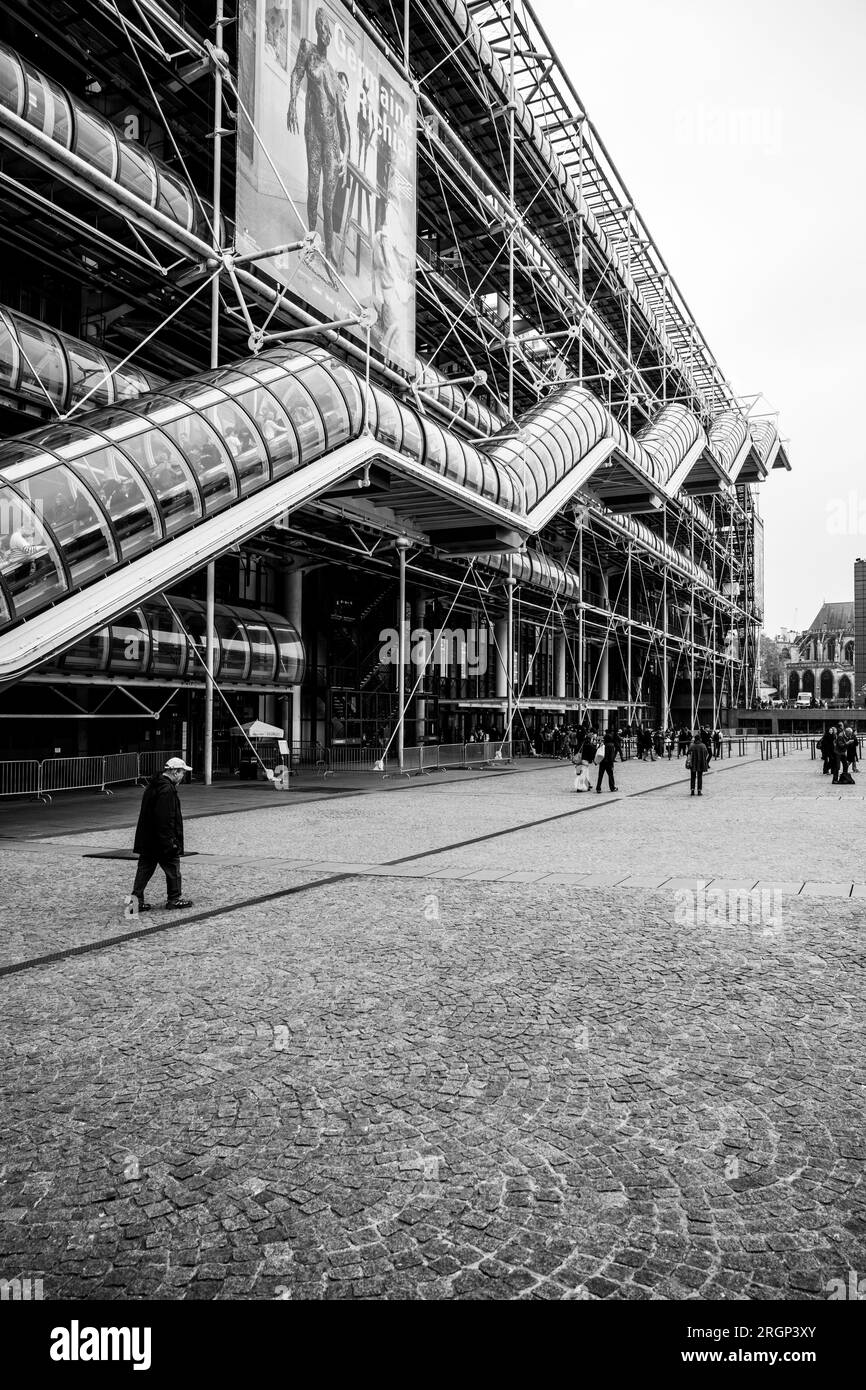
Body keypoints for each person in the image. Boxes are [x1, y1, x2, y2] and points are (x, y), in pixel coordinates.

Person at [287, 6, 349, 266]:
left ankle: (330, 252)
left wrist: (345, 155)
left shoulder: (335, 76)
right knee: (313, 188)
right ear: (316, 28)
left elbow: (344, 125)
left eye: (327, 31)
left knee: (329, 200)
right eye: (321, 28)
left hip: (333, 143)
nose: (324, 34)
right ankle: (312, 241)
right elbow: (296, 74)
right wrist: (292, 103)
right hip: (314, 133)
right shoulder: (307, 49)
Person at [129, 756, 194, 910]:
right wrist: (170, 841)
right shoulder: (167, 789)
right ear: (175, 772)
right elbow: (165, 818)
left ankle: (134, 902)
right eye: (183, 772)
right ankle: (174, 899)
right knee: (173, 868)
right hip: (161, 840)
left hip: (148, 838)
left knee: (144, 870)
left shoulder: (153, 785)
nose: (183, 776)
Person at [688, 730, 708, 796]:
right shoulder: (703, 745)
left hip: (693, 763)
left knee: (692, 777)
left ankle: (692, 790)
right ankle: (699, 791)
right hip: (701, 763)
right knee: (700, 777)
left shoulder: (692, 746)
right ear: (700, 739)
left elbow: (688, 753)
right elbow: (706, 753)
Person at [596, 729, 617, 793]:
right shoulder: (611, 745)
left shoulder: (603, 744)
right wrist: (612, 764)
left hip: (602, 761)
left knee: (600, 775)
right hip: (608, 763)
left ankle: (598, 788)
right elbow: (611, 756)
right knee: (610, 775)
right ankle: (612, 787)